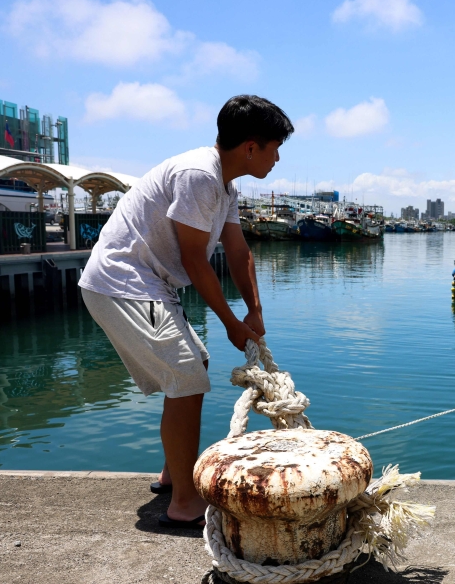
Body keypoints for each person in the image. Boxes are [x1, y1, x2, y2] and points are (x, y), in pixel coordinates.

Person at [78, 95, 294, 529]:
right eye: (275, 147)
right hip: (125, 282)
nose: (277, 157)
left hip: (147, 283)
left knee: (195, 364)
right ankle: (184, 501)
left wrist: (254, 310)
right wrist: (232, 324)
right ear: (251, 147)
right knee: (187, 376)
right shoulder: (200, 176)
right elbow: (197, 262)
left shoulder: (226, 184)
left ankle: (173, 473)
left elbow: (238, 252)